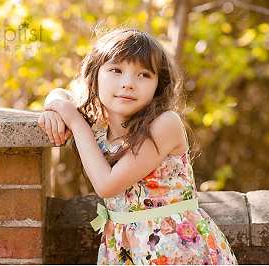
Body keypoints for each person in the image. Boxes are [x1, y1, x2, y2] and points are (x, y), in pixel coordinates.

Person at [39, 28, 237, 264]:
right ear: (95, 76)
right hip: (124, 248)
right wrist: (54, 103)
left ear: (158, 86)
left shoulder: (165, 124)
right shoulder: (101, 122)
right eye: (116, 70)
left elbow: (106, 185)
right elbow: (62, 94)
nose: (128, 84)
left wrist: (74, 121)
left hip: (176, 248)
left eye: (144, 75)